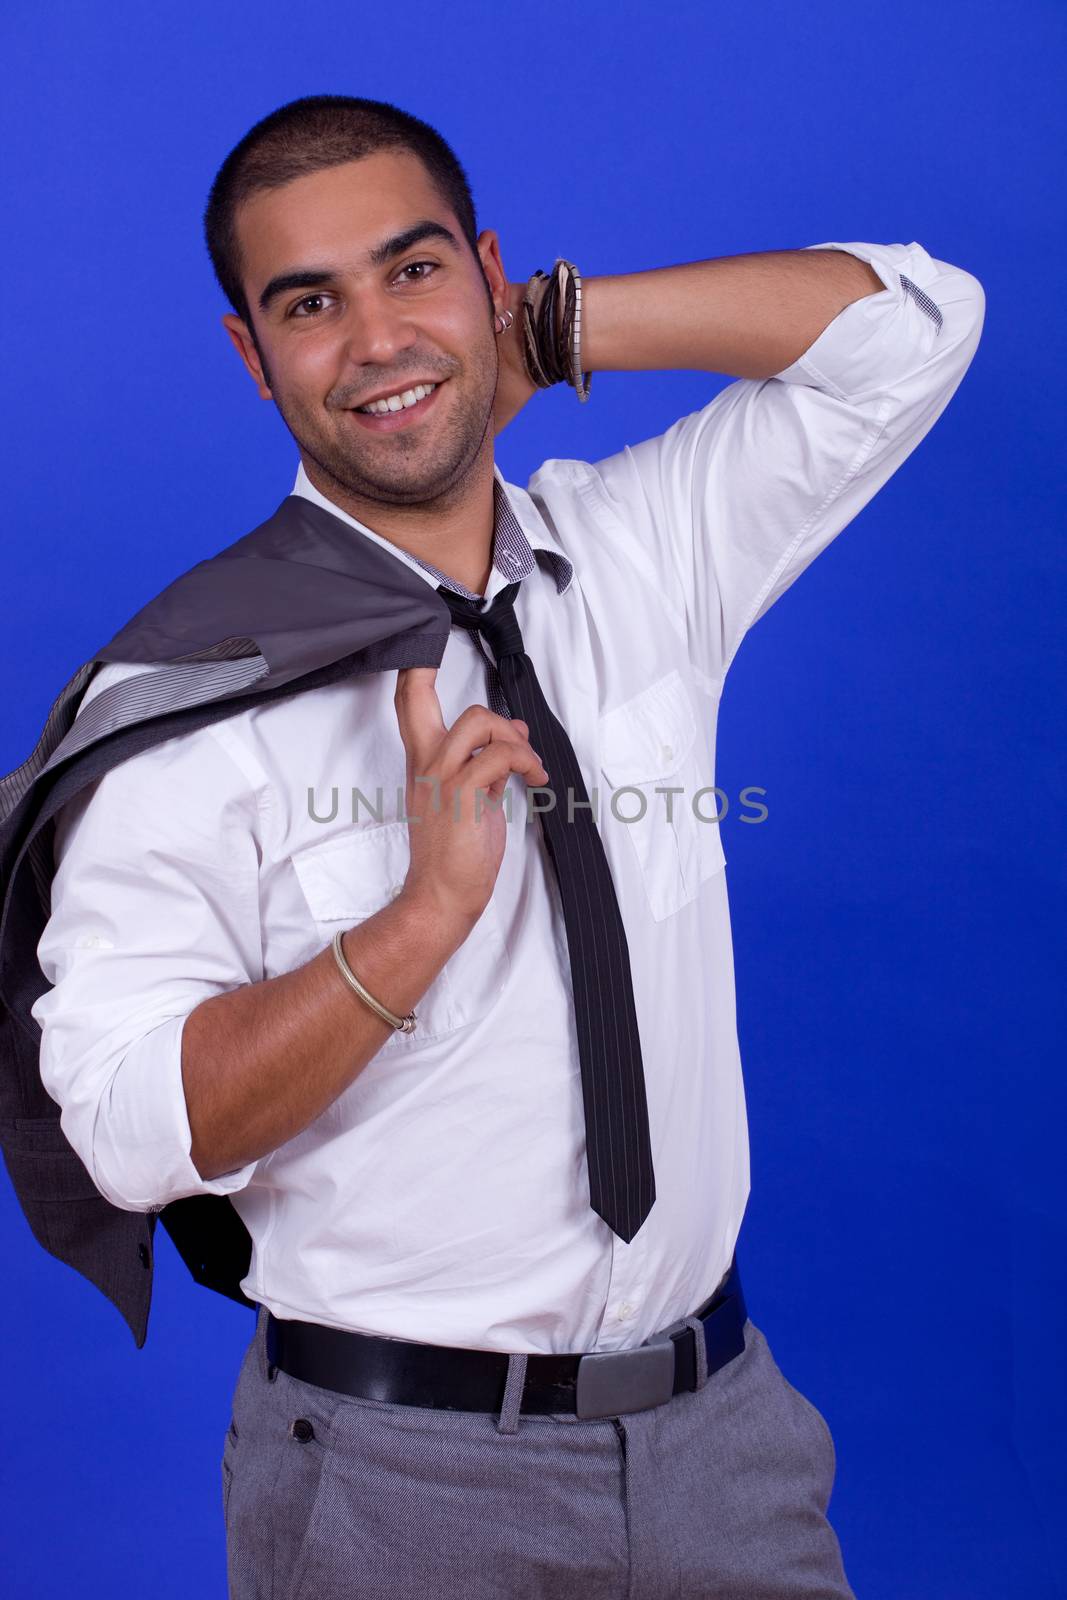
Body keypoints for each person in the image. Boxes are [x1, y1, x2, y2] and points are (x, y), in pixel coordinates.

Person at [21, 93, 984, 1598]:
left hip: (725, 1448)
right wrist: (416, 922)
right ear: (250, 354)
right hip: (400, 1490)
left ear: (487, 269)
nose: (378, 339)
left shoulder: (640, 557)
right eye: (310, 305)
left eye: (414, 273)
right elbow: (130, 1134)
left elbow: (913, 329)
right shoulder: (190, 700)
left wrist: (549, 338)